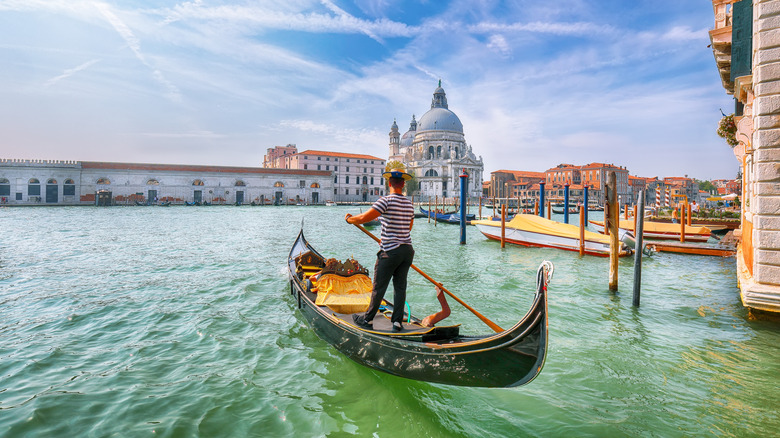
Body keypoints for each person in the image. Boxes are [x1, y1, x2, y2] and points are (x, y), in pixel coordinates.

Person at [345, 168, 415, 332]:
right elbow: (408, 227)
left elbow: (363, 218)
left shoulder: (386, 201)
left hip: (390, 252)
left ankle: (367, 319)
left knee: (379, 287)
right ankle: (397, 322)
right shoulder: (409, 204)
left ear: (390, 183)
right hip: (407, 250)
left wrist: (349, 219)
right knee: (400, 287)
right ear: (403, 184)